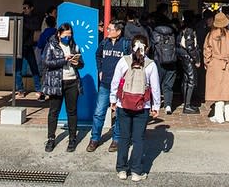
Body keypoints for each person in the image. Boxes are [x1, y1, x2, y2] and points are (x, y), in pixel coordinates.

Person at [110, 35, 161, 182]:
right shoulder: (150, 64)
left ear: (131, 46)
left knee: (124, 137)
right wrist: (155, 106)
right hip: (142, 105)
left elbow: (115, 81)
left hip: (123, 104)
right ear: (147, 47)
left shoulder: (124, 61)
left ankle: (121, 169)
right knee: (138, 139)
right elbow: (155, 88)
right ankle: (137, 172)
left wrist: (113, 99)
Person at [88, 20, 130, 153]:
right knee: (99, 112)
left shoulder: (125, 44)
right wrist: (100, 69)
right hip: (105, 83)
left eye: (110, 29)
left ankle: (116, 140)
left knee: (118, 113)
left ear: (118, 31)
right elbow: (98, 55)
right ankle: (94, 138)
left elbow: (131, 61)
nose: (108, 31)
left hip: (120, 86)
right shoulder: (104, 42)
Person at [42, 23, 84, 152]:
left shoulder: (74, 46)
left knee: (72, 111)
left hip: (72, 81)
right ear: (59, 34)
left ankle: (72, 138)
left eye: (70, 34)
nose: (68, 37)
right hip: (57, 82)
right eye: (66, 35)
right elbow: (46, 62)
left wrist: (77, 63)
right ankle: (51, 139)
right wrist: (63, 60)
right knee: (54, 112)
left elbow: (81, 65)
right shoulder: (51, 45)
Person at [203, 12, 229, 123]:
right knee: (228, 90)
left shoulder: (210, 35)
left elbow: (207, 51)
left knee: (217, 91)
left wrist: (207, 62)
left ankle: (219, 116)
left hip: (215, 63)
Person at [14, 1, 42, 99]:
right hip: (19, 46)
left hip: (28, 46)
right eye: (23, 8)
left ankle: (38, 89)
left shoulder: (33, 18)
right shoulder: (20, 17)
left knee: (34, 68)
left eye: (26, 8)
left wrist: (25, 21)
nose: (24, 10)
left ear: (31, 8)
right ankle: (20, 90)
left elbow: (35, 26)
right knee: (18, 70)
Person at [151, 23, 178, 114]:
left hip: (158, 61)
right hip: (171, 61)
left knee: (156, 83)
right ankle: (168, 105)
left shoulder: (155, 34)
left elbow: (151, 48)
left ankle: (155, 104)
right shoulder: (172, 34)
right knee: (168, 85)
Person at [177, 22, 201, 114]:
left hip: (184, 57)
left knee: (186, 79)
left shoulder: (184, 31)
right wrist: (197, 59)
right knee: (191, 80)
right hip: (188, 58)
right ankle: (187, 105)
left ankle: (186, 103)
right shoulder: (190, 31)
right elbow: (190, 47)